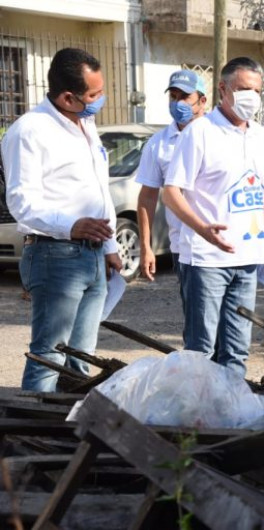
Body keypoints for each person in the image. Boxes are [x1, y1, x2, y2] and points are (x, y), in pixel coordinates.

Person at [2, 48, 122, 392]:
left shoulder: (86, 123)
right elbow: (21, 201)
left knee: (81, 358)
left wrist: (111, 245)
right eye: (94, 95)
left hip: (94, 254)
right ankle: (28, 437)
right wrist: (70, 225)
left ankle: (67, 435)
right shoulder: (30, 131)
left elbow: (99, 188)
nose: (101, 99)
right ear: (68, 97)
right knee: (49, 356)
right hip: (56, 255)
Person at [162, 57, 264, 377]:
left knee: (236, 350)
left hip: (248, 259)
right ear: (222, 89)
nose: (252, 97)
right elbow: (171, 193)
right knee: (201, 351)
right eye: (244, 89)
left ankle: (230, 416)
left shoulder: (258, 135)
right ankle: (196, 421)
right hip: (205, 260)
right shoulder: (199, 132)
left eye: (257, 90)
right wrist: (203, 229)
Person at [137, 70, 207, 282]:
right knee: (198, 315)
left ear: (202, 101)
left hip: (224, 245)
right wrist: (145, 247)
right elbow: (147, 197)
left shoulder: (219, 134)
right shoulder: (158, 143)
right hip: (185, 247)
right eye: (173, 97)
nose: (177, 103)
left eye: (184, 97)